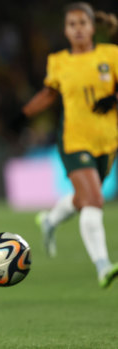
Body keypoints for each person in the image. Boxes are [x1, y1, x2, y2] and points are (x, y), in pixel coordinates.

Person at [22, 2, 118, 288]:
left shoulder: (111, 55)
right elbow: (50, 94)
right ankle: (103, 266)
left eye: (82, 23)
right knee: (95, 200)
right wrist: (23, 115)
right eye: (72, 24)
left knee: (83, 199)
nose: (77, 29)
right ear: (65, 30)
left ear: (92, 27)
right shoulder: (59, 61)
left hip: (107, 141)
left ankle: (50, 221)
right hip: (73, 140)